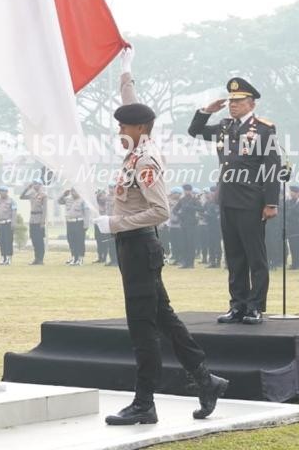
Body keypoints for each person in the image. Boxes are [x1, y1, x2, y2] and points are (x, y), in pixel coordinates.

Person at [93, 96, 228, 426]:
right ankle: (206, 380)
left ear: (140, 128)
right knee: (164, 319)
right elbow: (132, 103)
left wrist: (114, 223)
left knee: (142, 327)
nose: (119, 130)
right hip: (134, 246)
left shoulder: (145, 160)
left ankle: (144, 402)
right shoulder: (137, 150)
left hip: (139, 246)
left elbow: (160, 211)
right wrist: (126, 73)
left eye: (123, 126)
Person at [188, 77, 282, 325]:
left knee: (255, 257)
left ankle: (255, 306)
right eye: (231, 101)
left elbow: (272, 166)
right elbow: (194, 131)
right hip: (227, 198)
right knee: (234, 256)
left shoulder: (263, 129)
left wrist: (271, 203)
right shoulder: (225, 126)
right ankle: (237, 305)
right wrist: (206, 111)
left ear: (251, 103)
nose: (233, 105)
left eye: (238, 101)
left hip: (252, 200)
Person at [20, 180, 48, 265]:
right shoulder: (31, 194)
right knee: (34, 239)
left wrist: (43, 222)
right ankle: (36, 258)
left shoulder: (44, 195)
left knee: (39, 240)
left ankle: (40, 259)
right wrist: (27, 188)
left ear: (40, 185)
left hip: (39, 219)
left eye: (36, 184)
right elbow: (21, 197)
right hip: (32, 219)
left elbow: (45, 209)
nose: (34, 185)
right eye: (33, 183)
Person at [58, 188, 88, 266]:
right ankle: (74, 257)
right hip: (70, 222)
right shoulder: (68, 199)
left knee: (80, 241)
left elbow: (86, 213)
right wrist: (64, 194)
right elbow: (59, 201)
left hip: (79, 222)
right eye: (72, 191)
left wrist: (86, 224)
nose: (73, 193)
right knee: (71, 240)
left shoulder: (82, 200)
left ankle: (80, 258)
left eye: (75, 191)